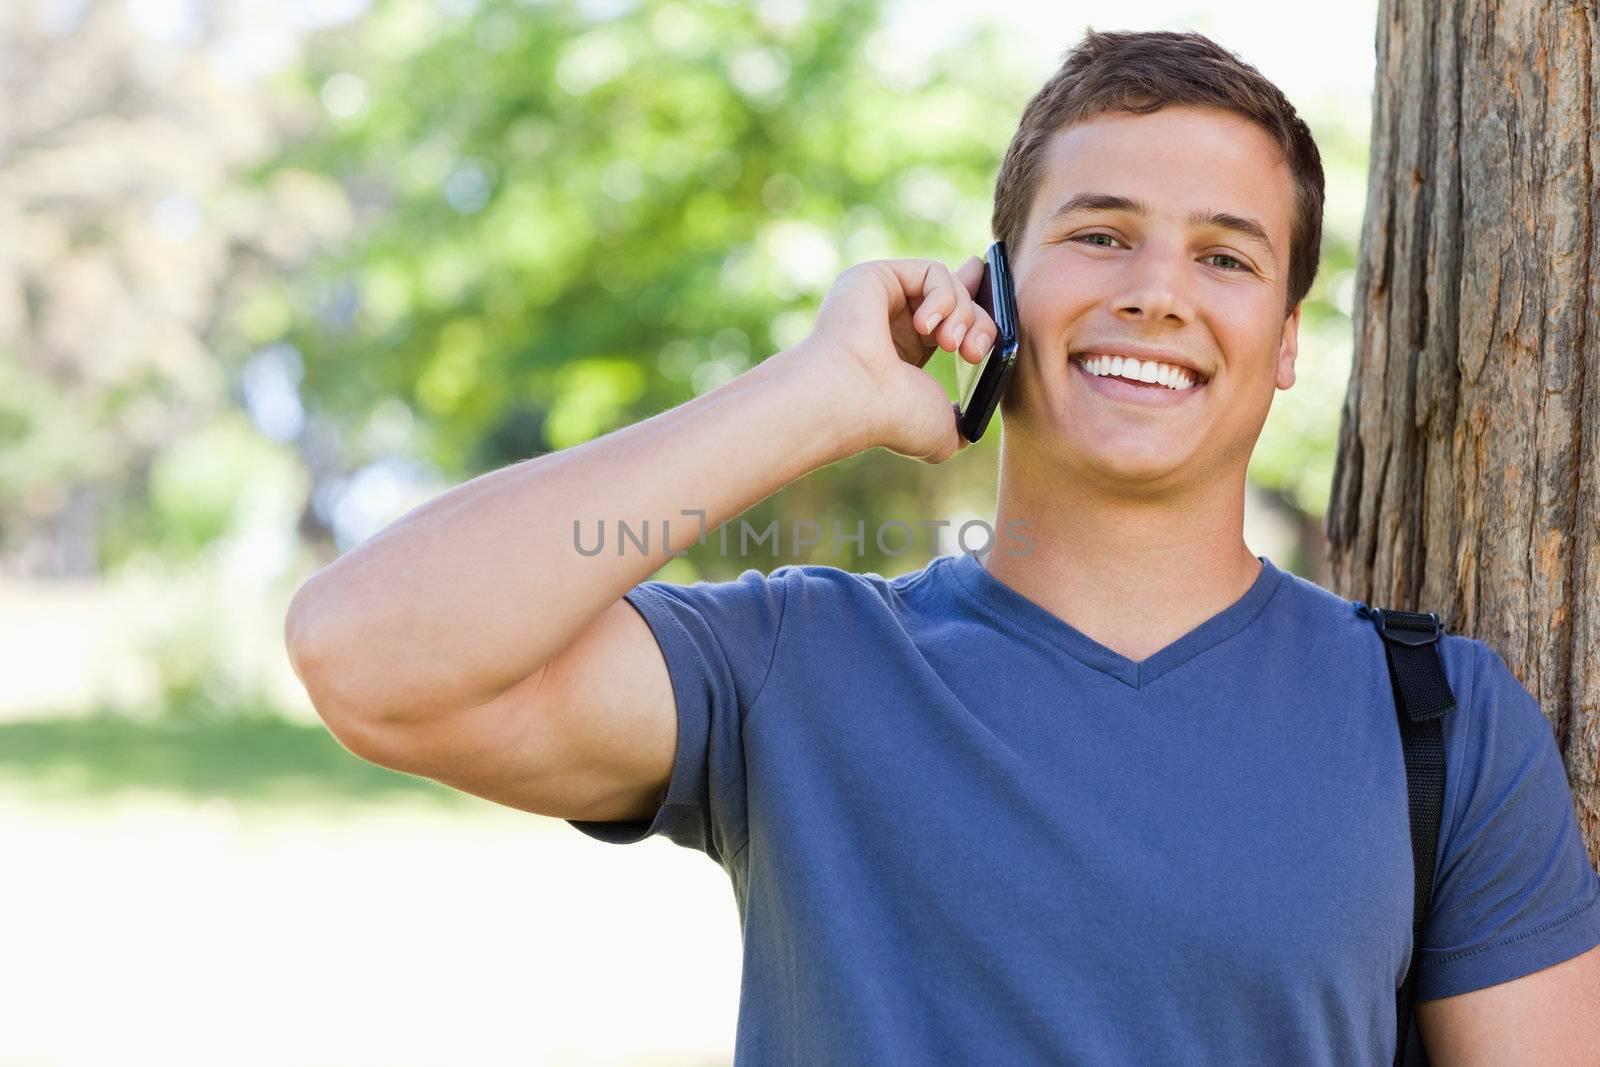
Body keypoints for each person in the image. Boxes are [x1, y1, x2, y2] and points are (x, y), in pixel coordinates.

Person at [285, 27, 1600, 1065]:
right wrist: (816, 395)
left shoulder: (1437, 717)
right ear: (994, 289)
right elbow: (365, 651)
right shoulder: (797, 668)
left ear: (1290, 341)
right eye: (1098, 234)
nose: (1155, 289)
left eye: (1226, 256)